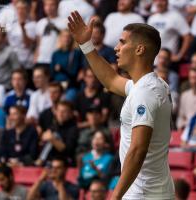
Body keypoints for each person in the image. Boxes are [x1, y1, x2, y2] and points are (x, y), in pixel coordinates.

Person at [68, 11, 174, 199]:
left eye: (122, 42)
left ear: (139, 49)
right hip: (154, 190)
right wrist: (86, 44)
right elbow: (110, 80)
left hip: (142, 193)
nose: (116, 48)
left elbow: (138, 149)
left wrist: (115, 195)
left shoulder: (145, 92)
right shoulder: (149, 85)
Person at [37, 101, 78, 166]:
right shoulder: (54, 126)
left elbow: (68, 150)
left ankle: (41, 160)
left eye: (64, 112)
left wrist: (52, 139)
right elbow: (44, 139)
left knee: (55, 136)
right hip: (49, 161)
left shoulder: (73, 129)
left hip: (64, 162)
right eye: (58, 111)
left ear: (70, 114)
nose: (60, 114)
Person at [50, 29, 85, 100]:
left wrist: (62, 69)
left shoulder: (75, 53)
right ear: (60, 38)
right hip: (57, 85)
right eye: (64, 37)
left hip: (70, 86)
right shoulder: (55, 54)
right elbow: (51, 72)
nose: (66, 39)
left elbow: (74, 72)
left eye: (68, 37)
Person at [35, 0, 67, 65]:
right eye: (46, 5)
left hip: (57, 60)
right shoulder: (40, 23)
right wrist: (36, 56)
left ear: (57, 6)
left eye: (52, 5)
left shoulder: (64, 22)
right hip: (41, 59)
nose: (48, 7)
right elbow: (38, 44)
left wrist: (56, 30)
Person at [8, 0, 36, 70]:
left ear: (28, 10)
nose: (20, 11)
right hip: (13, 62)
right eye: (18, 8)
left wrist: (23, 28)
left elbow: (28, 44)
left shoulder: (33, 25)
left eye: (23, 8)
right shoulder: (12, 25)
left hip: (27, 63)